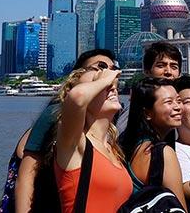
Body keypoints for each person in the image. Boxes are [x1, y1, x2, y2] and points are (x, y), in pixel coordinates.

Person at [15, 48, 119, 212]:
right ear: (78, 76)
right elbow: (27, 172)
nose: (108, 74)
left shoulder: (108, 123)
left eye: (112, 69)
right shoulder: (56, 113)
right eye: (99, 67)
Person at [52, 65, 131, 212]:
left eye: (114, 85)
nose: (112, 87)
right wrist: (107, 78)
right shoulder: (75, 142)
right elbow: (77, 97)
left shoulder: (112, 148)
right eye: (97, 83)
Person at [118, 77, 187, 209]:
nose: (178, 107)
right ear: (147, 113)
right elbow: (179, 208)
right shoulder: (163, 153)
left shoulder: (128, 146)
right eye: (169, 102)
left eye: (179, 100)